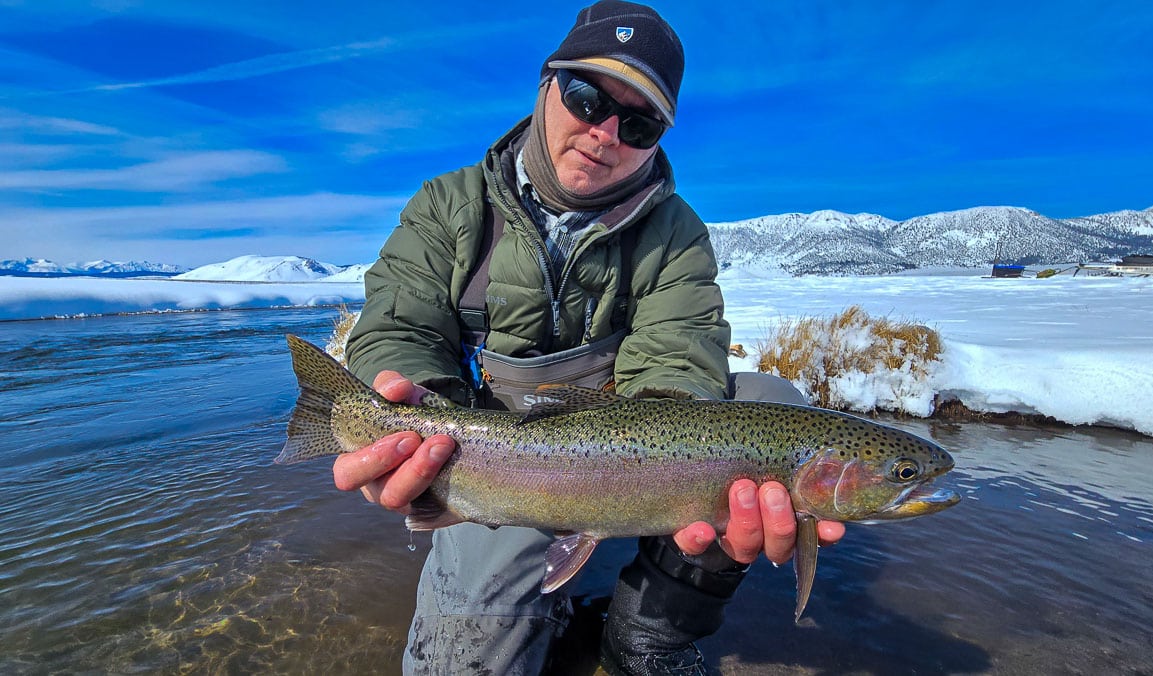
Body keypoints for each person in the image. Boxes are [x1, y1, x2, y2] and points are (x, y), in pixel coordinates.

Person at [338, 1, 844, 673]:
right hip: (492, 452)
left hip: (627, 444)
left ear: (658, 138)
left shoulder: (676, 233)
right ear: (546, 84)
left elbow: (678, 357)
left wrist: (687, 466)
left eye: (637, 122)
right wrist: (407, 428)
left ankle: (649, 630)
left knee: (770, 404)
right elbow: (401, 328)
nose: (606, 132)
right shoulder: (448, 207)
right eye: (586, 97)